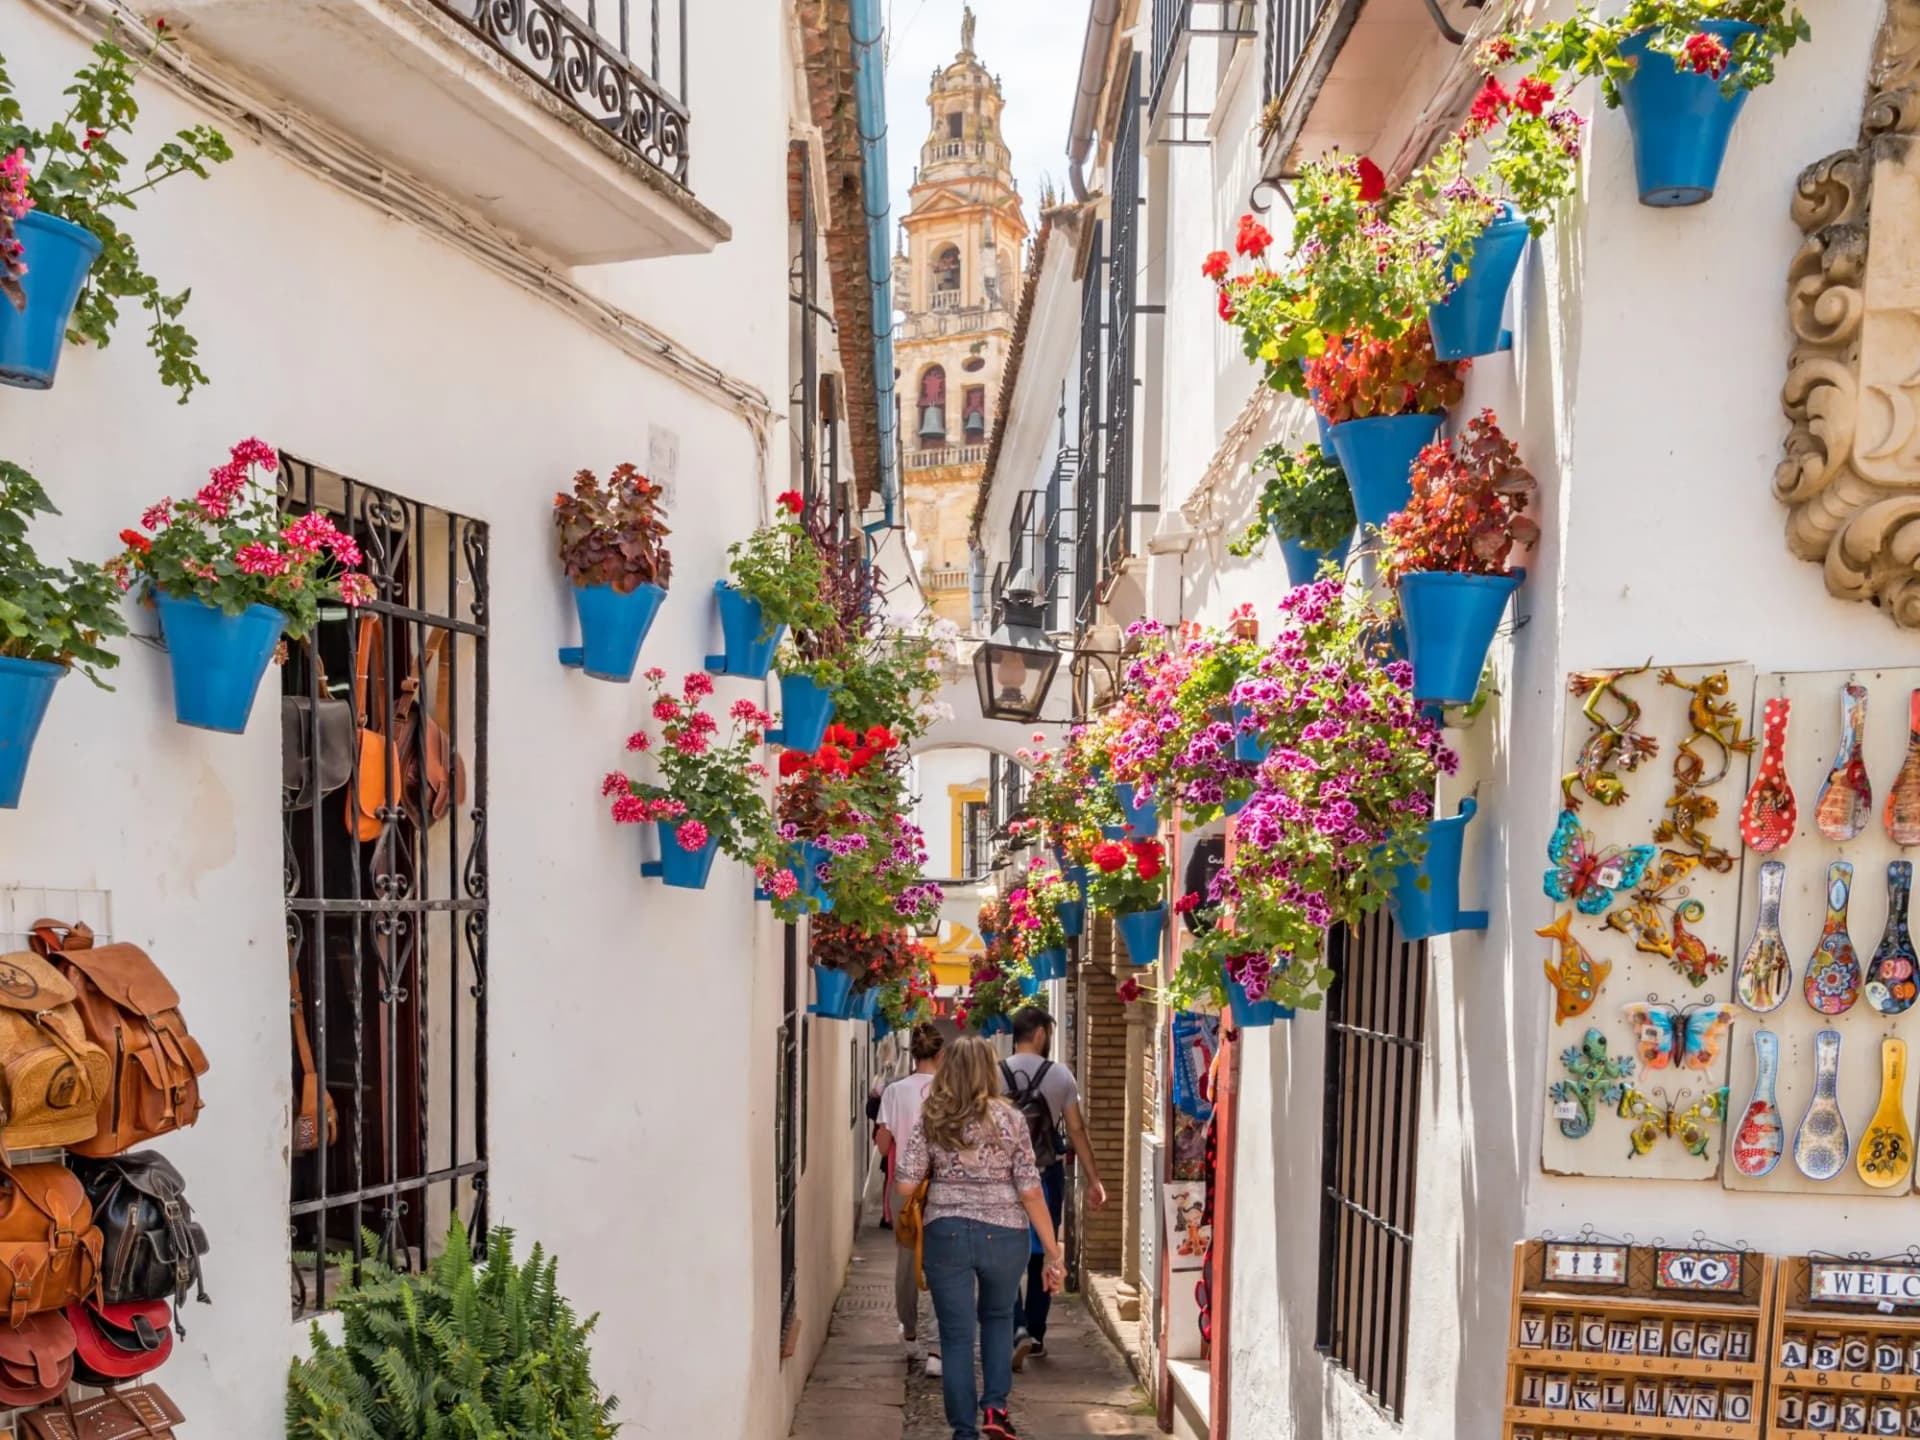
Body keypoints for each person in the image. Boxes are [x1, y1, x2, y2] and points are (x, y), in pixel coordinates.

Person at [896, 1035, 1064, 1440]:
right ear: (989, 1070)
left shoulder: (932, 1117)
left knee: (955, 1336)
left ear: (948, 1069)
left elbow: (904, 1184)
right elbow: (1029, 1188)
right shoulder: (1009, 1118)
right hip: (1005, 1235)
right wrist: (1054, 1253)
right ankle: (994, 1409)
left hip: (946, 1233)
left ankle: (963, 1432)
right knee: (997, 1318)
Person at [1000, 1006, 1107, 1369]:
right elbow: (1076, 1130)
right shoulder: (1060, 1075)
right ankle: (1037, 1332)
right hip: (1045, 1176)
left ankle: (1016, 1329)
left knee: (1006, 1257)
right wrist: (1094, 1179)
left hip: (1004, 1180)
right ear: (1042, 1034)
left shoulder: (994, 1075)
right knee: (1045, 1253)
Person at [874, 1023, 944, 1375]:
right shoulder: (950, 1092)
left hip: (905, 1187)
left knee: (906, 1261)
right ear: (940, 1054)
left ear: (913, 1054)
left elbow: (884, 1144)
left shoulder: (895, 1091)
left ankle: (911, 1334)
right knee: (943, 1264)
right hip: (944, 1186)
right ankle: (936, 1349)